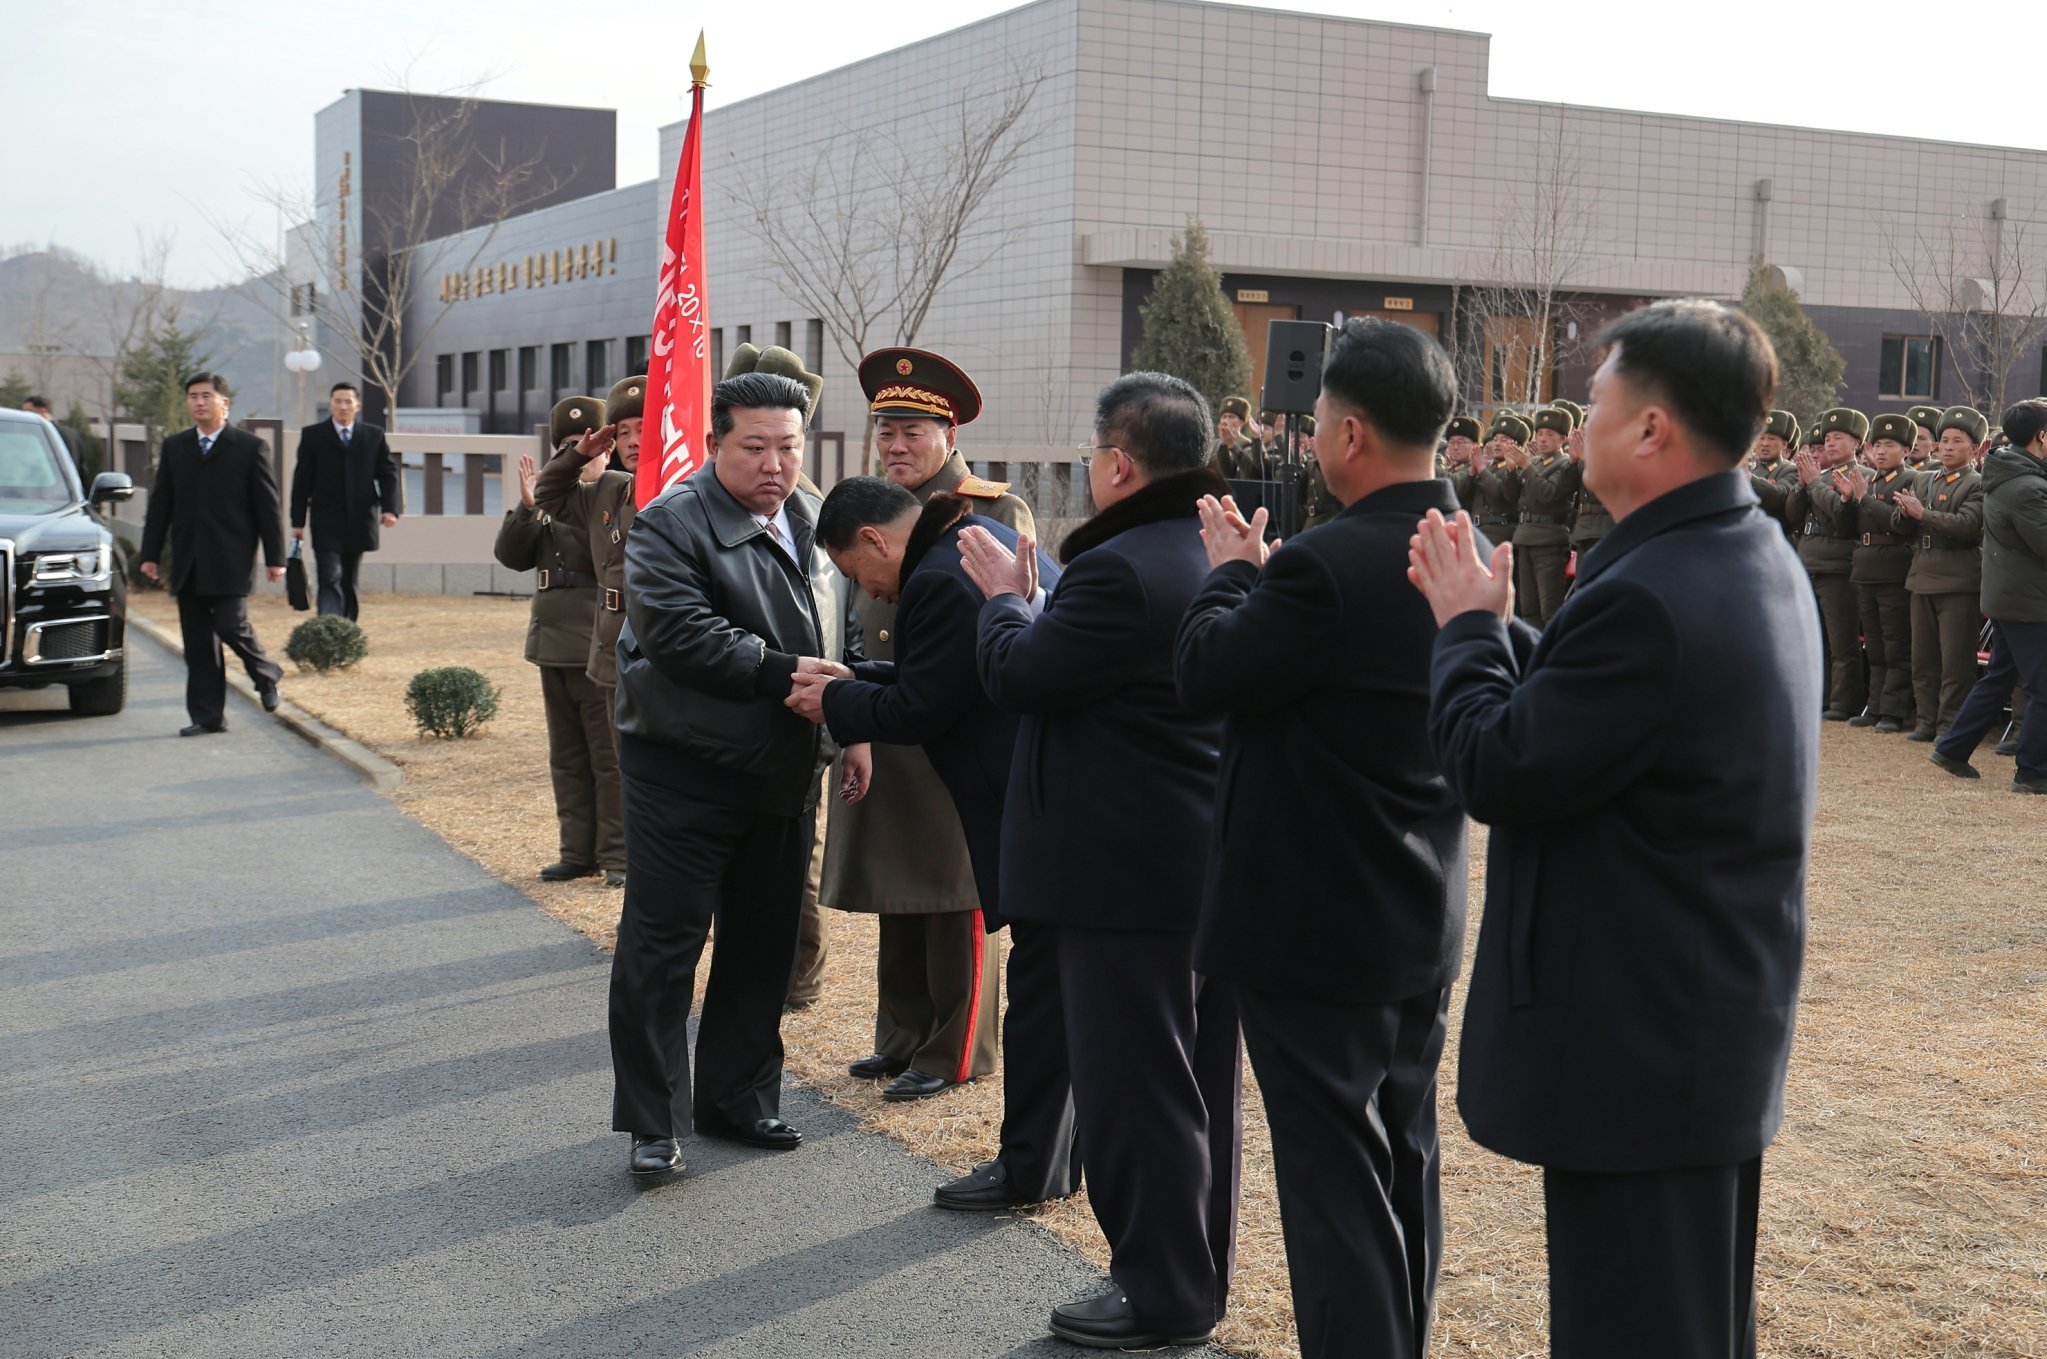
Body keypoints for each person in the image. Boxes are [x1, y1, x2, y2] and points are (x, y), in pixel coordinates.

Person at [1410, 299, 1818, 1359]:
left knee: (1636, 1328)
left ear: (1650, 429)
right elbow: (1622, 706)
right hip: (1692, 1029)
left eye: (1596, 399)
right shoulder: (1745, 546)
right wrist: (1504, 633)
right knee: (1683, 1321)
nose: (1581, 421)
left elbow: (1498, 765)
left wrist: (1463, 633)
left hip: (1641, 1045)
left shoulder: (1657, 585)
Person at [1177, 318, 1470, 1359]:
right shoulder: (1460, 546)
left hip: (1311, 922)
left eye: (1315, 426)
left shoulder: (1324, 565)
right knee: (1401, 1154)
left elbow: (1208, 673)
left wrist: (1231, 571)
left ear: (1347, 434)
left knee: (1330, 1174)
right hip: (1415, 908)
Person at [954, 373, 1237, 1351]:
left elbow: (1020, 675)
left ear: (1120, 464)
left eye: (1091, 451)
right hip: (1190, 862)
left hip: (1119, 876)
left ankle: (1159, 1292)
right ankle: (1190, 1278)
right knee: (1194, 1086)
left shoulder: (1120, 570)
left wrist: (1004, 600)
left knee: (1137, 1094)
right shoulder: (1209, 549)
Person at [793, 475, 1082, 1216]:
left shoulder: (933, 578)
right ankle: (1054, 1157)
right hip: (1059, 800)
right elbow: (944, 678)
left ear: (874, 540)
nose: (873, 594)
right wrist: (854, 675)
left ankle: (1032, 1164)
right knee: (1064, 999)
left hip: (1036, 809)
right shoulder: (960, 548)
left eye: (862, 576)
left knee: (1046, 1003)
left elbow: (924, 706)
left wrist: (832, 698)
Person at [605, 371, 863, 1178]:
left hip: (783, 766)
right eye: (754, 446)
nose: (774, 464)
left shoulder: (814, 518)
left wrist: (852, 723)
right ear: (714, 443)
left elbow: (843, 628)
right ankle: (653, 1120)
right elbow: (679, 634)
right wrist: (786, 672)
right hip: (684, 765)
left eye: (789, 446)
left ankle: (739, 1098)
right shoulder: (668, 523)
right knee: (663, 944)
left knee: (763, 942)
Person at [821, 348, 1029, 1113]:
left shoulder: (989, 512)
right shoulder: (871, 510)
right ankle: (903, 1030)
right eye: (885, 432)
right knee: (896, 891)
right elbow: (854, 623)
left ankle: (955, 1045)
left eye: (911, 430)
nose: (896, 447)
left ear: (947, 431)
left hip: (950, 727)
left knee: (956, 894)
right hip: (885, 716)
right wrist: (855, 720)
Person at [493, 395, 623, 885]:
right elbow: (512, 557)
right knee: (567, 757)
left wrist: (573, 499)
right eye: (567, 447)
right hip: (552, 645)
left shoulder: (612, 500)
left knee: (606, 758)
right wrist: (527, 509)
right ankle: (576, 850)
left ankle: (616, 857)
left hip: (594, 642)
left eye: (587, 445)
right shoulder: (548, 502)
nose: (579, 453)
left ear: (605, 450)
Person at [137, 372, 286, 736]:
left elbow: (267, 507)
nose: (199, 402)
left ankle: (266, 675)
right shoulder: (175, 447)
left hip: (231, 556)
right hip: (188, 559)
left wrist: (276, 557)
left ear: (225, 402)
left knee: (230, 624)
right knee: (198, 643)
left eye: (206, 395)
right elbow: (161, 505)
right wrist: (150, 553)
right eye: (193, 396)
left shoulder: (249, 448)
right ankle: (207, 717)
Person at [1930, 397, 2047, 792]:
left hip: (2011, 596)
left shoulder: (2011, 473)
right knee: (2043, 687)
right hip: (2029, 601)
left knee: (1999, 678)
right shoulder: (2027, 486)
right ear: (2042, 437)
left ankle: (1953, 748)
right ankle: (2032, 772)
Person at [535, 374, 646, 722]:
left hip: (656, 650)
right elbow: (548, 494)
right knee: (617, 760)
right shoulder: (609, 488)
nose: (633, 441)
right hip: (611, 649)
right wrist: (580, 453)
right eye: (623, 432)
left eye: (643, 428)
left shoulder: (686, 493)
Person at [1896, 407, 1987, 744]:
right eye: (1944, 440)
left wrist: (1924, 514)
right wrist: (1904, 515)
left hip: (1958, 580)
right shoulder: (1924, 479)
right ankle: (1926, 720)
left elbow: (1968, 526)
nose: (1948, 447)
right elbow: (1905, 524)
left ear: (1974, 449)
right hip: (1921, 574)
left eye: (1957, 441)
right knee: (1923, 658)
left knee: (1955, 662)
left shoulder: (1976, 483)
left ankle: (1950, 725)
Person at [289, 381, 400, 621]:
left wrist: (390, 509)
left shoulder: (373, 436)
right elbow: (301, 482)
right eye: (337, 401)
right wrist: (297, 522)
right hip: (325, 519)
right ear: (330, 404)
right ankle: (329, 628)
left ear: (357, 406)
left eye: (347, 401)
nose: (342, 406)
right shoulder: (313, 436)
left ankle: (348, 630)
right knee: (330, 575)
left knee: (349, 579)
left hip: (359, 520)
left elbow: (388, 473)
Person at [1838, 413, 1919, 732]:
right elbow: (1847, 528)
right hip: (1865, 566)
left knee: (1895, 642)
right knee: (1873, 644)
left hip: (1893, 566)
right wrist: (1847, 501)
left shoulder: (1910, 479)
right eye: (1878, 445)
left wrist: (1863, 500)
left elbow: (1901, 523)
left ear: (1906, 451)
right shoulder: (1867, 479)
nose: (1882, 451)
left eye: (1891, 445)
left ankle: (1893, 710)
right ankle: (1874, 705)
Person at [1788, 408, 1868, 720]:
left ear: (1857, 443)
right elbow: (1793, 513)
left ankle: (1842, 702)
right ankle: (1818, 698)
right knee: (1814, 639)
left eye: (1838, 438)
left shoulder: (1863, 476)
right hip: (1808, 562)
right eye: (1828, 438)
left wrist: (1814, 485)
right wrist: (1804, 482)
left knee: (1841, 641)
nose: (1830, 443)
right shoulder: (1817, 476)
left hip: (1838, 565)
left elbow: (1843, 516)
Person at [1507, 406, 1580, 626]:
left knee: (1550, 609)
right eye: (1539, 433)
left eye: (1550, 434)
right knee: (1528, 609)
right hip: (1525, 537)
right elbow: (1511, 497)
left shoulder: (1566, 464)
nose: (1542, 439)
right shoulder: (1535, 463)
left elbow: (1548, 494)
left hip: (1549, 540)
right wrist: (1511, 472)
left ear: (1563, 438)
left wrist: (1526, 466)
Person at [1747, 409, 1802, 534]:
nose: (1765, 443)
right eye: (1761, 438)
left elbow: (1779, 496)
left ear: (1784, 445)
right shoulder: (1752, 468)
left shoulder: (1791, 470)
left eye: (1771, 439)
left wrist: (1750, 478)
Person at [22, 395, 84, 473]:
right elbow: (82, 469)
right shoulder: (72, 434)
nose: (25, 415)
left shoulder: (40, 435)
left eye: (29, 411)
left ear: (42, 411)